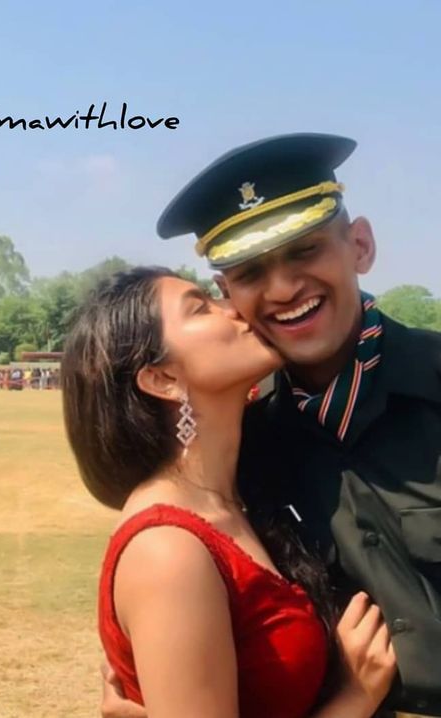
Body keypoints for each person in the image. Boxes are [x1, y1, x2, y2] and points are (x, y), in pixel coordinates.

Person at [104, 134, 441, 718]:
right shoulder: (252, 442)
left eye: (306, 251)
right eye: (251, 271)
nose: (284, 289)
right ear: (228, 295)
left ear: (359, 245)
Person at [62, 267, 397, 718]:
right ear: (163, 379)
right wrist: (355, 698)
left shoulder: (239, 498)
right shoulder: (168, 551)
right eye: (201, 308)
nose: (235, 310)